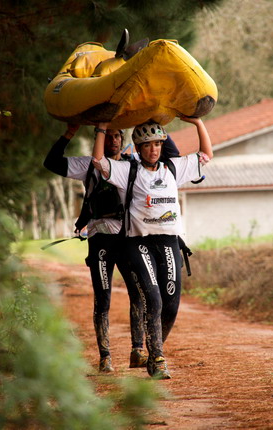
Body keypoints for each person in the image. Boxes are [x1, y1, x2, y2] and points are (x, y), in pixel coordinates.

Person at [43, 123, 180, 373]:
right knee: (103, 297)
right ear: (100, 138)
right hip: (101, 239)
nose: (113, 141)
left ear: (123, 138)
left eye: (117, 136)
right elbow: (52, 162)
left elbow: (170, 157)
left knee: (140, 293)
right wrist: (69, 133)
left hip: (130, 239)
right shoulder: (89, 165)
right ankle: (105, 356)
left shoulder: (133, 164)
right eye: (108, 136)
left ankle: (138, 351)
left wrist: (157, 118)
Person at [92, 117, 213, 379]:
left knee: (170, 304)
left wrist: (198, 122)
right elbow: (99, 162)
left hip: (169, 241)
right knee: (153, 298)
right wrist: (101, 128)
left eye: (158, 144)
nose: (154, 149)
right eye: (147, 145)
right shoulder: (128, 170)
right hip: (139, 243)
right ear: (138, 148)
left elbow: (205, 155)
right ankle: (157, 358)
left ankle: (154, 347)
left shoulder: (172, 168)